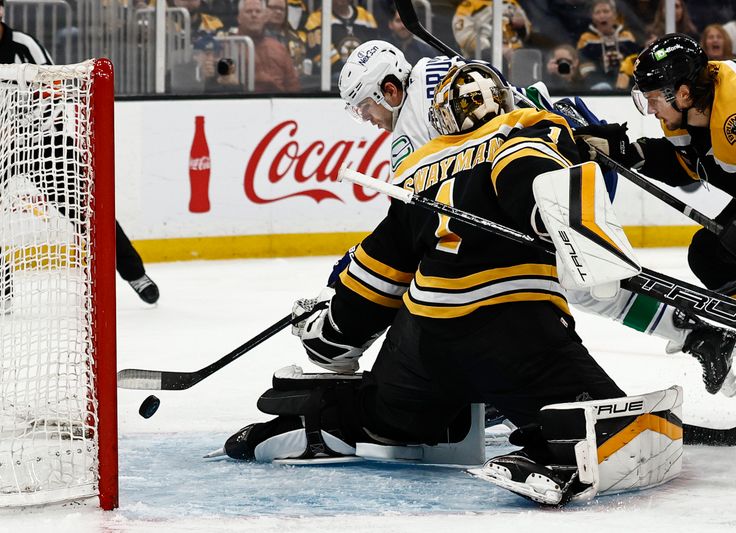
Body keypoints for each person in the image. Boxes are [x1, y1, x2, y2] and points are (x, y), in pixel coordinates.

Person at [222, 63, 684, 506]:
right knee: (633, 431)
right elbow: (530, 180)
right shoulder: (525, 131)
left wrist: (334, 331)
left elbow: (377, 273)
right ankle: (552, 452)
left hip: (421, 345)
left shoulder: (418, 168)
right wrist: (568, 225)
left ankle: (326, 423)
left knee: (388, 416)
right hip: (515, 335)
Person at [337, 40, 736, 398]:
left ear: (389, 89)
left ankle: (701, 336)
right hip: (562, 155)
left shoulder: (407, 134)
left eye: (367, 107)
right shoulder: (438, 70)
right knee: (583, 284)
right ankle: (702, 336)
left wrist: (365, 263)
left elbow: (415, 215)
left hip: (542, 180)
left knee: (576, 282)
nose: (369, 120)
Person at [577, 33, 736, 432]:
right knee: (711, 254)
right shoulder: (697, 109)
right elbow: (690, 163)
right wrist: (627, 151)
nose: (649, 108)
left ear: (681, 92)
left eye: (653, 97)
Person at [0, 2, 160, 304]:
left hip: (43, 142)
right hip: (0, 145)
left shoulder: (24, 46)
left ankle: (134, 273)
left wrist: (21, 132)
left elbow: (52, 90)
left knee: (88, 207)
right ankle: (2, 285)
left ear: (2, 11)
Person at [304, 0, 379, 78]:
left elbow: (375, 47)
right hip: (334, 76)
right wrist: (348, 72)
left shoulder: (365, 16)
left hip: (364, 73)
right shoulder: (317, 18)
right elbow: (318, 51)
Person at [577, 0, 641, 90]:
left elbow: (636, 62)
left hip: (627, 86)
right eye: (597, 12)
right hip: (599, 86)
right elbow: (584, 69)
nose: (602, 15)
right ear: (592, 17)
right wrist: (601, 63)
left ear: (614, 15)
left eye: (606, 11)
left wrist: (623, 62)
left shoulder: (627, 36)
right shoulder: (586, 39)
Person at [451, 0, 531, 61]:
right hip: (484, 59)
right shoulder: (467, 6)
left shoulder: (511, 3)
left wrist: (522, 25)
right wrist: (497, 49)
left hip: (517, 56)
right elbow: (465, 39)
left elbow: (528, 29)